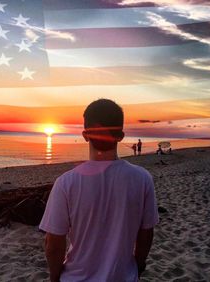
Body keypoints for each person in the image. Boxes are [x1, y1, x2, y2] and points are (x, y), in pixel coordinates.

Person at [39, 99, 159, 282]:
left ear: (85, 135)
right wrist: (138, 265)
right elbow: (146, 234)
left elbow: (53, 243)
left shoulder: (66, 183)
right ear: (121, 136)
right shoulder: (142, 178)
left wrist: (55, 277)